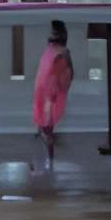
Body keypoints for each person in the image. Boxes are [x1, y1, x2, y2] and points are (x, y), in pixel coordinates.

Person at [31, 18, 74, 170]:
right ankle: (49, 155)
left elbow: (63, 74)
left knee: (47, 124)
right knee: (47, 123)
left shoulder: (55, 52)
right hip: (47, 91)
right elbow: (58, 75)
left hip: (49, 90)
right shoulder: (54, 52)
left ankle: (49, 152)